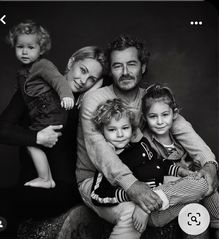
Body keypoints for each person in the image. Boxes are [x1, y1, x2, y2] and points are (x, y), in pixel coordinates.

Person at [76, 34, 218, 239]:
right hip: (99, 182)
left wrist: (209, 163)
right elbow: (100, 150)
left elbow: (183, 128)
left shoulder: (149, 98)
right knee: (133, 217)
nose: (125, 72)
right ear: (110, 70)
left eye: (131, 64)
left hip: (145, 176)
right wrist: (132, 185)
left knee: (199, 190)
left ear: (142, 67)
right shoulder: (95, 99)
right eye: (117, 66)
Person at [0, 44, 106, 239]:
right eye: (82, 70)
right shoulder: (36, 89)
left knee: (0, 202)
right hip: (30, 181)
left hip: (63, 187)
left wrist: (94, 89)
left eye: (91, 79)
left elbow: (110, 80)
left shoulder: (84, 103)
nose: (84, 80)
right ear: (71, 62)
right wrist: (36, 137)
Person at [90, 98, 218, 237]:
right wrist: (130, 195)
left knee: (204, 184)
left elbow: (159, 164)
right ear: (103, 132)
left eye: (125, 128)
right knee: (201, 184)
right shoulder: (110, 159)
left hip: (165, 201)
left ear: (132, 128)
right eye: (112, 130)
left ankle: (217, 225)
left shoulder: (141, 144)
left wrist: (180, 171)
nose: (120, 134)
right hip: (151, 212)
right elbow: (97, 195)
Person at [142, 83, 219, 237]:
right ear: (144, 117)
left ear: (174, 114)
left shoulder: (177, 138)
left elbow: (200, 157)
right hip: (166, 196)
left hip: (191, 187)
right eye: (153, 116)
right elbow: (151, 175)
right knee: (198, 192)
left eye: (165, 115)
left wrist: (197, 175)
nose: (159, 121)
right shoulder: (145, 143)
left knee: (209, 188)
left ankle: (217, 224)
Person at [6, 19, 75, 188]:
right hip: (40, 112)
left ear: (41, 49)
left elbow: (58, 80)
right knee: (31, 141)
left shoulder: (43, 65)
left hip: (51, 112)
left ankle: (46, 179)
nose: (24, 52)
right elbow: (24, 89)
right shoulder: (22, 70)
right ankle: (47, 178)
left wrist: (67, 96)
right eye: (20, 47)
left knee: (30, 141)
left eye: (31, 47)